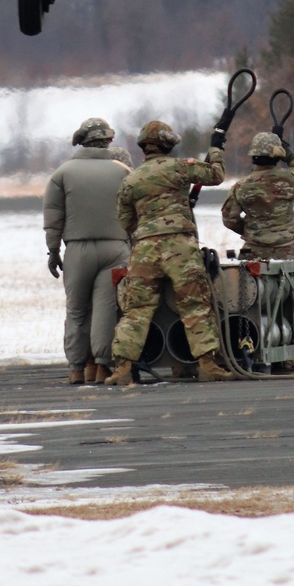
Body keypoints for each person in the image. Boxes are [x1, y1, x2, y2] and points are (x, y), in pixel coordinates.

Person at [105, 119, 232, 386]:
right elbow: (215, 175)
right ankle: (208, 364)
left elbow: (125, 220)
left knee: (136, 310)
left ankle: (122, 369)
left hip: (144, 249)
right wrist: (217, 150)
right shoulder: (179, 168)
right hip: (180, 248)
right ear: (167, 144)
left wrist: (145, 234)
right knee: (195, 304)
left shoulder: (131, 180)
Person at [43, 117, 131, 385]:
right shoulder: (124, 172)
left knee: (77, 310)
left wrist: (53, 250)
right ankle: (103, 367)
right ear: (107, 141)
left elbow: (54, 215)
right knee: (106, 308)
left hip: (78, 249)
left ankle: (77, 368)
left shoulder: (62, 174)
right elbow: (135, 213)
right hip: (116, 248)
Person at [221, 131, 294, 260]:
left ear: (253, 155)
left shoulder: (241, 186)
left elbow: (229, 219)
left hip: (254, 250)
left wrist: (253, 230)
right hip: (286, 249)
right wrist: (290, 156)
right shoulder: (292, 178)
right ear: (278, 155)